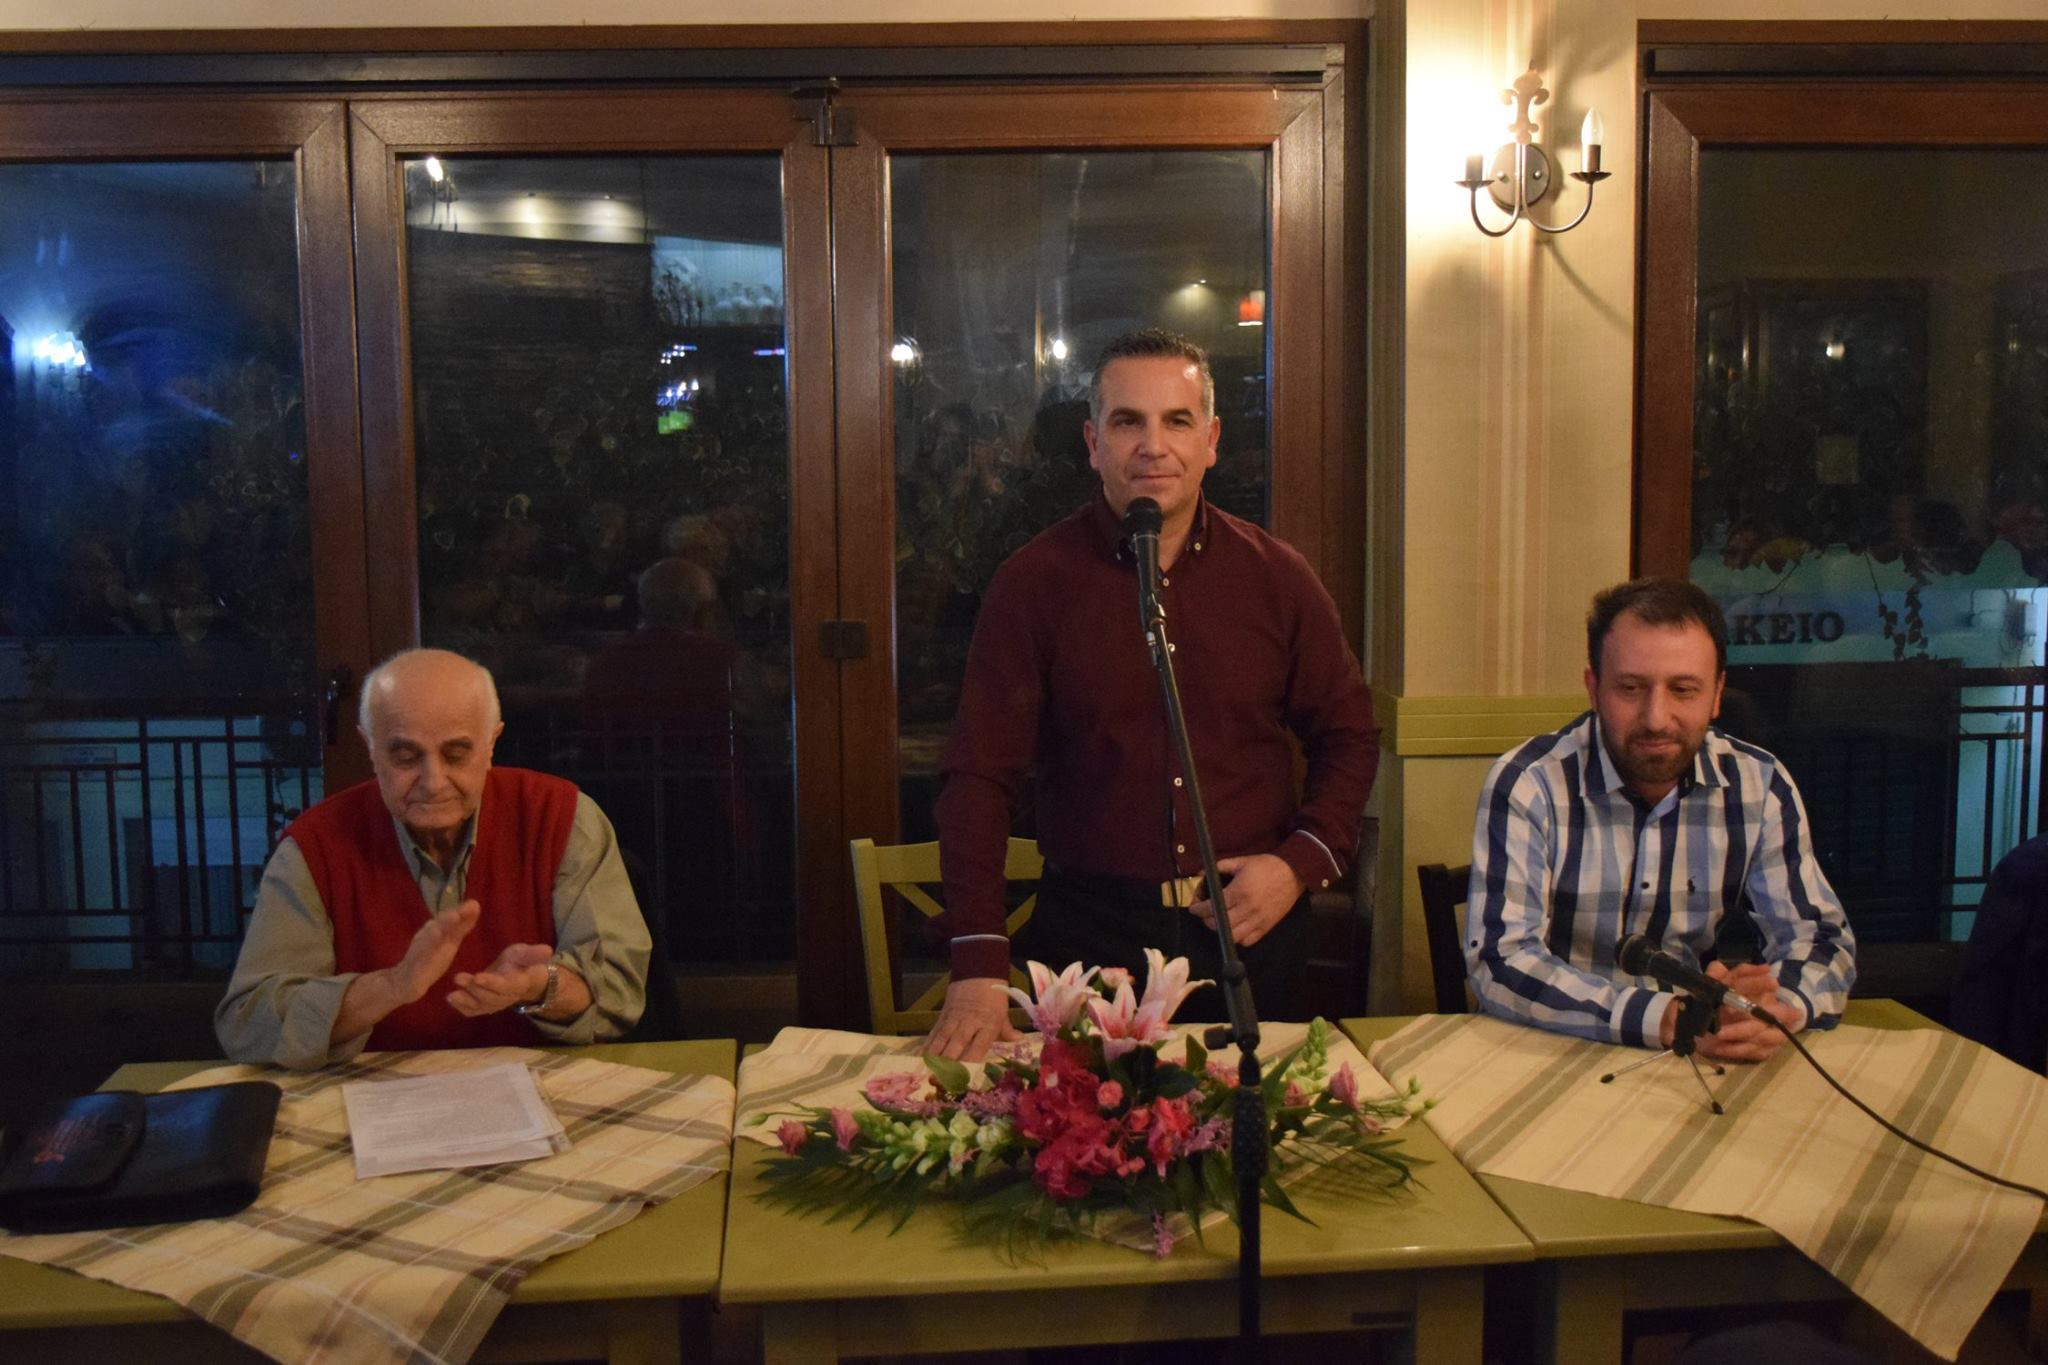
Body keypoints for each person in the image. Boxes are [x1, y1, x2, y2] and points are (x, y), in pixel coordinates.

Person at [926, 328, 1380, 1060]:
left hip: (1247, 932)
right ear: (1093, 442)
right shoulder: (1033, 584)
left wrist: (1299, 863)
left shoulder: (1276, 577)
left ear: (1212, 440)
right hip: (1087, 935)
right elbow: (978, 778)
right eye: (1127, 421)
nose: (1153, 446)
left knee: (1252, 1125)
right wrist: (978, 958)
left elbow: (1350, 734)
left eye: (1177, 421)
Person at [1466, 579, 1856, 1062]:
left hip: (1699, 1053)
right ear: (1593, 688)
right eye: (1630, 688)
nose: (1656, 717)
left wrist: (1778, 1008)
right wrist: (1664, 1016)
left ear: (1717, 694)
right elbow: (1500, 960)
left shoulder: (1759, 784)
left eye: (1683, 690)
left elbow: (1821, 939)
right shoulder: (1529, 782)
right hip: (1550, 1052)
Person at [216, 648, 651, 1069]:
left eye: (456, 754)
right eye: (405, 757)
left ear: (491, 743)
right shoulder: (316, 845)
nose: (433, 781)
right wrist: (392, 986)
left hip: (540, 1087)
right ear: (370, 748)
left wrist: (539, 987)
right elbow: (247, 1025)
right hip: (372, 1095)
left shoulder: (560, 817)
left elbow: (618, 993)